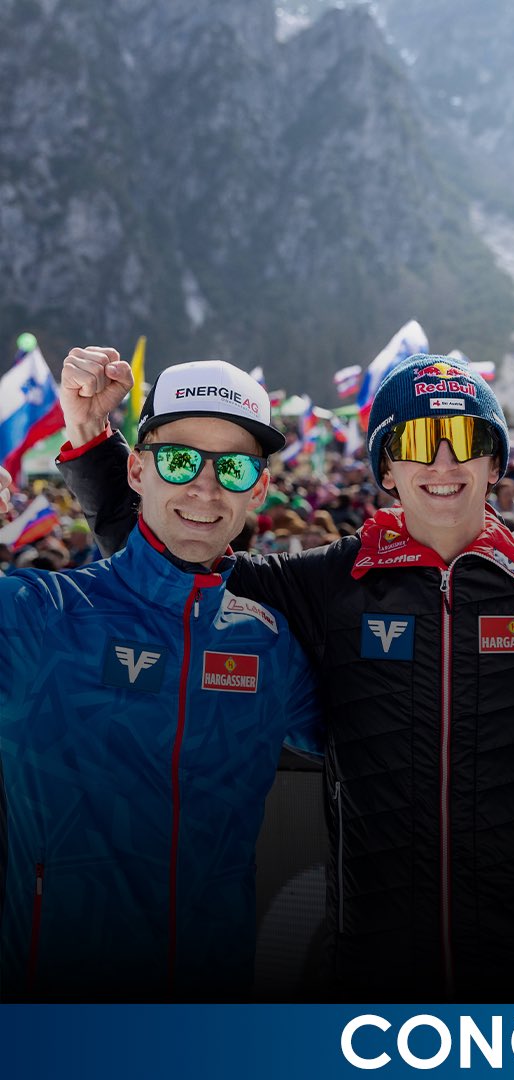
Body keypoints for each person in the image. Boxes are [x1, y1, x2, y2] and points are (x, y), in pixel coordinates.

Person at [51, 349, 514, 998]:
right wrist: (89, 441)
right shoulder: (327, 584)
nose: (442, 463)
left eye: (468, 439)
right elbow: (177, 567)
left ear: (495, 461)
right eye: (415, 439)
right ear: (386, 465)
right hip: (373, 972)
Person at [0, 359, 322, 1000]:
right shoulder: (39, 617)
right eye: (179, 461)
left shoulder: (269, 644)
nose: (206, 489)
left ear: (257, 490)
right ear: (136, 469)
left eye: (233, 468)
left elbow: (392, 734)